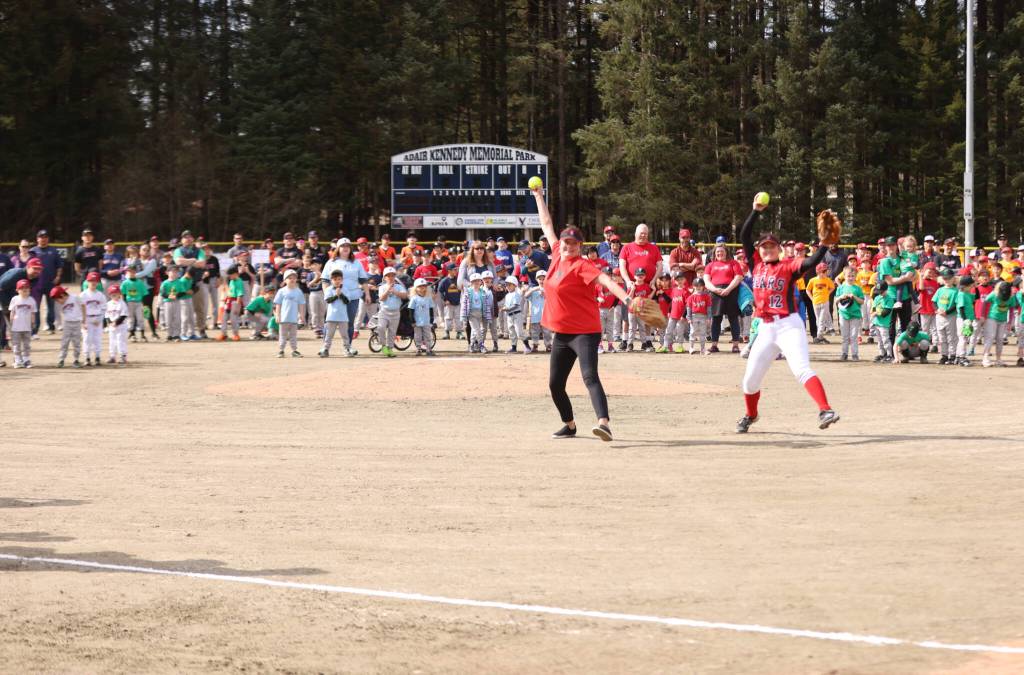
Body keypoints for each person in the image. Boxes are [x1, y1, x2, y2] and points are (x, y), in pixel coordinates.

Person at [530, 185, 631, 442]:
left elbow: (607, 282)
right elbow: (546, 224)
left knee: (589, 376)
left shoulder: (582, 265)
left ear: (580, 246)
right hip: (562, 334)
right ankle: (570, 425)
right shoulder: (555, 255)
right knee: (555, 384)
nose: (569, 246)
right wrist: (539, 196)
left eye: (574, 243)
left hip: (585, 332)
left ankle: (604, 424)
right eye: (566, 242)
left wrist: (627, 298)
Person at [735, 197, 840, 433]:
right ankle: (751, 415)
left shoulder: (789, 265)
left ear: (779, 249)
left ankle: (826, 409)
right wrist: (755, 211)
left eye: (772, 246)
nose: (767, 249)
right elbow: (744, 236)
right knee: (749, 381)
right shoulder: (756, 265)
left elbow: (812, 260)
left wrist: (823, 244)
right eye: (764, 246)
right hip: (765, 329)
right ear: (759, 251)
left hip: (789, 326)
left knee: (801, 369)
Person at [702, 245, 744, 353]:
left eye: (722, 251)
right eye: (717, 252)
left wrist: (729, 289)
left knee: (733, 319)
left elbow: (738, 277)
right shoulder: (710, 265)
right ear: (714, 254)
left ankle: (735, 345)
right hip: (715, 293)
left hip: (731, 291)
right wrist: (715, 290)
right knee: (716, 319)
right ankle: (714, 345)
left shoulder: (733, 263)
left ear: (726, 252)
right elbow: (706, 281)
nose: (719, 253)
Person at [29, 229, 63, 334]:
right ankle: (35, 328)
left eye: (45, 237)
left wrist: (58, 277)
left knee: (51, 306)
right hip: (36, 283)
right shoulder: (33, 251)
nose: (43, 239)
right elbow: (28, 266)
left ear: (47, 239)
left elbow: (59, 265)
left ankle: (51, 326)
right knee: (36, 307)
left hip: (50, 283)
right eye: (41, 237)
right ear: (37, 239)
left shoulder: (53, 250)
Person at [982, 281, 1019, 367]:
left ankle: (998, 359)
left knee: (1000, 339)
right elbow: (985, 302)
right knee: (990, 337)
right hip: (992, 318)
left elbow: (1012, 309)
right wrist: (983, 316)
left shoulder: (1011, 297)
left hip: (1003, 320)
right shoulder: (994, 294)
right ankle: (985, 357)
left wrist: (1010, 322)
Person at [835, 264, 865, 361]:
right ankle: (844, 353)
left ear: (855, 276)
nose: (850, 278)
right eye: (848, 276)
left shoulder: (858, 288)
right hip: (844, 314)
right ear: (844, 276)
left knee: (853, 336)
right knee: (845, 336)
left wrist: (854, 297)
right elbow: (836, 300)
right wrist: (841, 297)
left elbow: (862, 301)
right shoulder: (841, 288)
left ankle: (855, 354)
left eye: (852, 276)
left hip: (855, 314)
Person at [274, 269, 306, 357]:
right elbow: (278, 304)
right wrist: (277, 315)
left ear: (296, 279)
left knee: (293, 335)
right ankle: (281, 350)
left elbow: (301, 304)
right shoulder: (281, 291)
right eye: (289, 278)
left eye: (294, 278)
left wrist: (302, 316)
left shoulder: (298, 291)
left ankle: (294, 350)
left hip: (293, 319)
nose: (292, 280)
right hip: (284, 318)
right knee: (283, 335)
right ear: (285, 280)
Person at [377, 266, 407, 357]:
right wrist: (388, 290)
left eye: (392, 276)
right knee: (381, 327)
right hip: (384, 312)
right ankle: (383, 345)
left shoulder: (399, 287)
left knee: (392, 331)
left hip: (395, 312)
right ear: (384, 278)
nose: (390, 278)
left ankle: (390, 348)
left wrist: (395, 292)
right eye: (388, 276)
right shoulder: (382, 287)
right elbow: (381, 298)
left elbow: (405, 296)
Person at [931, 268, 959, 364]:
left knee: (951, 337)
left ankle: (952, 355)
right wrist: (937, 309)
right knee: (941, 337)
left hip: (951, 316)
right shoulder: (940, 290)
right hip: (940, 316)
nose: (947, 280)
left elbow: (956, 305)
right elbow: (934, 302)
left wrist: (947, 312)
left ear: (953, 279)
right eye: (945, 278)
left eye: (949, 278)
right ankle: (944, 355)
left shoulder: (956, 291)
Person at [52, 286, 84, 368]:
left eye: (58, 299)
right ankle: (61, 360)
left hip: (77, 323)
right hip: (67, 324)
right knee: (64, 342)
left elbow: (83, 305)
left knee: (77, 342)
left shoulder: (75, 297)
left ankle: (76, 360)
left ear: (62, 295)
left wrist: (84, 318)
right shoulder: (59, 304)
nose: (58, 302)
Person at [460, 272, 491, 354]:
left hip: (480, 313)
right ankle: (481, 345)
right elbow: (464, 304)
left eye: (478, 281)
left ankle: (471, 345)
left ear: (481, 282)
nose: (476, 283)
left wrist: (487, 315)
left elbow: (486, 304)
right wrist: (463, 316)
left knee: (474, 330)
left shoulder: (483, 292)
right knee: (477, 329)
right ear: (471, 282)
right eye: (474, 281)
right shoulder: (468, 292)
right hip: (472, 314)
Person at [8, 279, 36, 368]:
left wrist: (33, 322)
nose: (25, 291)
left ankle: (26, 360)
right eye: (22, 289)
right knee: (16, 345)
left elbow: (32, 313)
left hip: (27, 328)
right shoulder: (15, 299)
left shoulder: (31, 300)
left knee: (26, 345)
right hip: (16, 328)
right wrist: (11, 323)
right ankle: (17, 360)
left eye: (27, 289)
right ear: (17, 290)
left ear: (30, 290)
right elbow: (12, 312)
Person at [80, 271, 107, 365]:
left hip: (97, 319)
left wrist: (100, 319)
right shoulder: (83, 295)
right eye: (91, 280)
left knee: (97, 339)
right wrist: (83, 322)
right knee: (87, 339)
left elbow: (104, 308)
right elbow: (80, 309)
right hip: (87, 319)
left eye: (95, 280)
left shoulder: (100, 295)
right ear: (87, 282)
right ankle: (87, 357)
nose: (93, 282)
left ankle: (97, 357)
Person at [806, 262, 836, 344]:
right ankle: (821, 337)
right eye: (823, 271)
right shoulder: (813, 280)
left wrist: (827, 293)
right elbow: (808, 290)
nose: (825, 273)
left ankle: (819, 335)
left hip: (825, 302)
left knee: (822, 319)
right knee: (818, 319)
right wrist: (811, 298)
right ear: (818, 272)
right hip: (815, 302)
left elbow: (832, 287)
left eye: (826, 271)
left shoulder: (828, 280)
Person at [625, 267, 653, 351]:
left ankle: (644, 343)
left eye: (642, 275)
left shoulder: (647, 286)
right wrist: (632, 290)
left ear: (645, 276)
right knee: (632, 328)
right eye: (638, 275)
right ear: (634, 276)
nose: (640, 276)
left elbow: (648, 298)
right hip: (632, 311)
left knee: (642, 327)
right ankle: (630, 343)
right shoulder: (632, 286)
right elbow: (627, 299)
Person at [663, 272, 691, 353]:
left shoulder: (686, 291)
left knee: (679, 331)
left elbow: (687, 305)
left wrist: (684, 315)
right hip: (673, 315)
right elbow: (672, 302)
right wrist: (669, 311)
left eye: (681, 279)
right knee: (668, 330)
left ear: (685, 280)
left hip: (680, 316)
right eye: (677, 280)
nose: (679, 281)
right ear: (675, 281)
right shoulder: (674, 290)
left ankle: (680, 346)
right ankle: (666, 346)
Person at [523, 270, 551, 352]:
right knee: (535, 331)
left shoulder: (549, 290)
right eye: (540, 279)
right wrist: (533, 290)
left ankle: (548, 345)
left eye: (543, 279)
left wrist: (545, 293)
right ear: (536, 279)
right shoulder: (534, 290)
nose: (542, 281)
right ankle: (535, 345)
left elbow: (552, 300)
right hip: (535, 315)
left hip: (546, 315)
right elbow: (525, 296)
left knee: (547, 332)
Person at [120, 267, 149, 342]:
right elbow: (123, 294)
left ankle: (142, 335)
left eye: (133, 272)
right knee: (130, 318)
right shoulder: (125, 283)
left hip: (138, 302)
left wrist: (145, 305)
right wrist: (124, 304)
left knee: (140, 318)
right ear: (127, 273)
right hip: (129, 302)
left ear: (135, 272)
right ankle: (132, 334)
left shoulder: (140, 282)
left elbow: (144, 293)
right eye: (129, 272)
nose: (131, 273)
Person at [954, 275, 977, 367]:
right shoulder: (961, 294)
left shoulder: (967, 294)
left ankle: (958, 357)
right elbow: (961, 308)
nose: (972, 287)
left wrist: (976, 286)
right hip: (963, 319)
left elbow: (977, 297)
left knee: (963, 339)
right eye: (971, 285)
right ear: (965, 286)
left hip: (967, 319)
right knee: (963, 339)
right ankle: (962, 357)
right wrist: (965, 320)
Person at [408, 278, 435, 356]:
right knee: (418, 336)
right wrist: (412, 321)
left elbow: (431, 309)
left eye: (424, 286)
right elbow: (411, 310)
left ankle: (428, 349)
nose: (422, 288)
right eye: (420, 286)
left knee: (427, 335)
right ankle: (419, 348)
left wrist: (431, 320)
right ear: (416, 288)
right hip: (417, 321)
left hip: (426, 321)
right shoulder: (414, 299)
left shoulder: (428, 298)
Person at [218, 265, 245, 341]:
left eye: (230, 275)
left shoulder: (239, 281)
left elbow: (240, 294)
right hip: (229, 301)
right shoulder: (231, 281)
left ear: (235, 274)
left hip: (235, 301)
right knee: (224, 318)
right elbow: (230, 291)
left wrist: (237, 305)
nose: (229, 276)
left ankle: (236, 334)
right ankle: (223, 334)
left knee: (233, 319)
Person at [105, 284, 129, 365]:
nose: (114, 294)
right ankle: (112, 356)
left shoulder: (122, 304)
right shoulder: (108, 304)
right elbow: (107, 315)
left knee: (120, 341)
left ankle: (123, 356)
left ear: (120, 294)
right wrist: (110, 323)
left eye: (116, 293)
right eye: (112, 293)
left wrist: (116, 322)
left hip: (121, 326)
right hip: (112, 326)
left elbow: (124, 315)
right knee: (112, 341)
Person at [871, 281, 895, 363]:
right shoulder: (877, 298)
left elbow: (886, 312)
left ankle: (889, 355)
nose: (880, 293)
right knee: (879, 340)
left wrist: (876, 313)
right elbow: (873, 308)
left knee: (885, 340)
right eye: (878, 292)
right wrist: (873, 312)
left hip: (884, 324)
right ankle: (882, 354)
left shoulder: (889, 299)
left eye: (881, 292)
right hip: (876, 322)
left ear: (886, 290)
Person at [437, 263, 462, 340]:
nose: (456, 271)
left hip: (457, 302)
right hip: (449, 303)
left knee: (458, 318)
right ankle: (447, 332)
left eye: (456, 269)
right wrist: (445, 300)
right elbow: (440, 291)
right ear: (449, 271)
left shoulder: (458, 279)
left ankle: (459, 333)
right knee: (448, 318)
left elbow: (461, 290)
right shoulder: (444, 281)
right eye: (454, 270)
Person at [686, 278, 711, 355]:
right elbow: (688, 308)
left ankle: (703, 349)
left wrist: (709, 318)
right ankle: (691, 347)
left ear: (703, 286)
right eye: (696, 285)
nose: (698, 287)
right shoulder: (691, 297)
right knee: (693, 332)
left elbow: (709, 308)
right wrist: (689, 318)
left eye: (700, 285)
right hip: (694, 316)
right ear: (693, 286)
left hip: (703, 316)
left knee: (703, 333)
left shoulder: (707, 297)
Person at [159, 266, 183, 342]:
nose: (174, 273)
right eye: (172, 272)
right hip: (167, 302)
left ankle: (176, 335)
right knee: (168, 318)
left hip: (176, 302)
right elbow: (162, 293)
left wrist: (176, 296)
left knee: (177, 318)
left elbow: (182, 292)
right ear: (167, 273)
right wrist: (168, 296)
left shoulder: (179, 282)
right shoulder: (165, 283)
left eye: (176, 272)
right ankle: (169, 334)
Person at [503, 276, 526, 353]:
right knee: (511, 332)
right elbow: (507, 305)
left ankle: (527, 346)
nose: (508, 286)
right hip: (509, 315)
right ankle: (514, 347)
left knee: (519, 332)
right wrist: (505, 308)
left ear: (515, 285)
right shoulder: (507, 295)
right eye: (507, 285)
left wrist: (507, 309)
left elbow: (515, 305)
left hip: (516, 315)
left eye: (510, 284)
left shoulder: (516, 294)